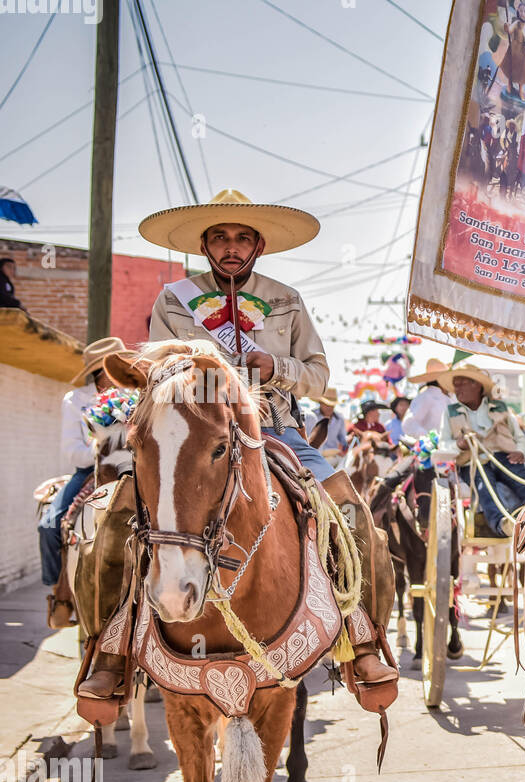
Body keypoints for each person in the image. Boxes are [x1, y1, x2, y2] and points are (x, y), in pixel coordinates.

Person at [76, 188, 398, 707]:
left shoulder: (286, 299)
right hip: (191, 432)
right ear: (204, 245)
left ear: (258, 245)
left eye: (241, 238)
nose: (231, 247)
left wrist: (279, 369)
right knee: (116, 516)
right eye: (220, 238)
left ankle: (361, 638)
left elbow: (318, 376)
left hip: (275, 428)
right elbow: (159, 374)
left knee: (349, 510)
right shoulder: (173, 300)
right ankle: (111, 651)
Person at [40, 336, 128, 628]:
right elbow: (72, 451)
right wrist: (102, 450)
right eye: (114, 366)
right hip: (89, 470)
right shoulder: (74, 400)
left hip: (129, 470)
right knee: (50, 524)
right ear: (101, 371)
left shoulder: (135, 395)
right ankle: (59, 593)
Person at [436, 364, 525, 538]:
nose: (456, 388)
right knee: (484, 488)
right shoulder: (449, 412)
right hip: (472, 462)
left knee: (524, 483)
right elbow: (443, 444)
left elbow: (519, 438)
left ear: (476, 385)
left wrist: (521, 452)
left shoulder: (500, 407)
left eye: (461, 383)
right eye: (455, 384)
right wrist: (459, 445)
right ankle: (501, 525)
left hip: (504, 457)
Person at [405, 358, 452, 442]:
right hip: (433, 450)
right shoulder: (427, 396)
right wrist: (430, 438)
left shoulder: (446, 397)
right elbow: (408, 424)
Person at [307, 387, 349, 465]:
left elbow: (342, 438)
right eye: (327, 405)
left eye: (332, 405)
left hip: (333, 455)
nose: (330, 408)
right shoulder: (311, 417)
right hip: (314, 455)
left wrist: (346, 443)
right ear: (320, 403)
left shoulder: (339, 419)